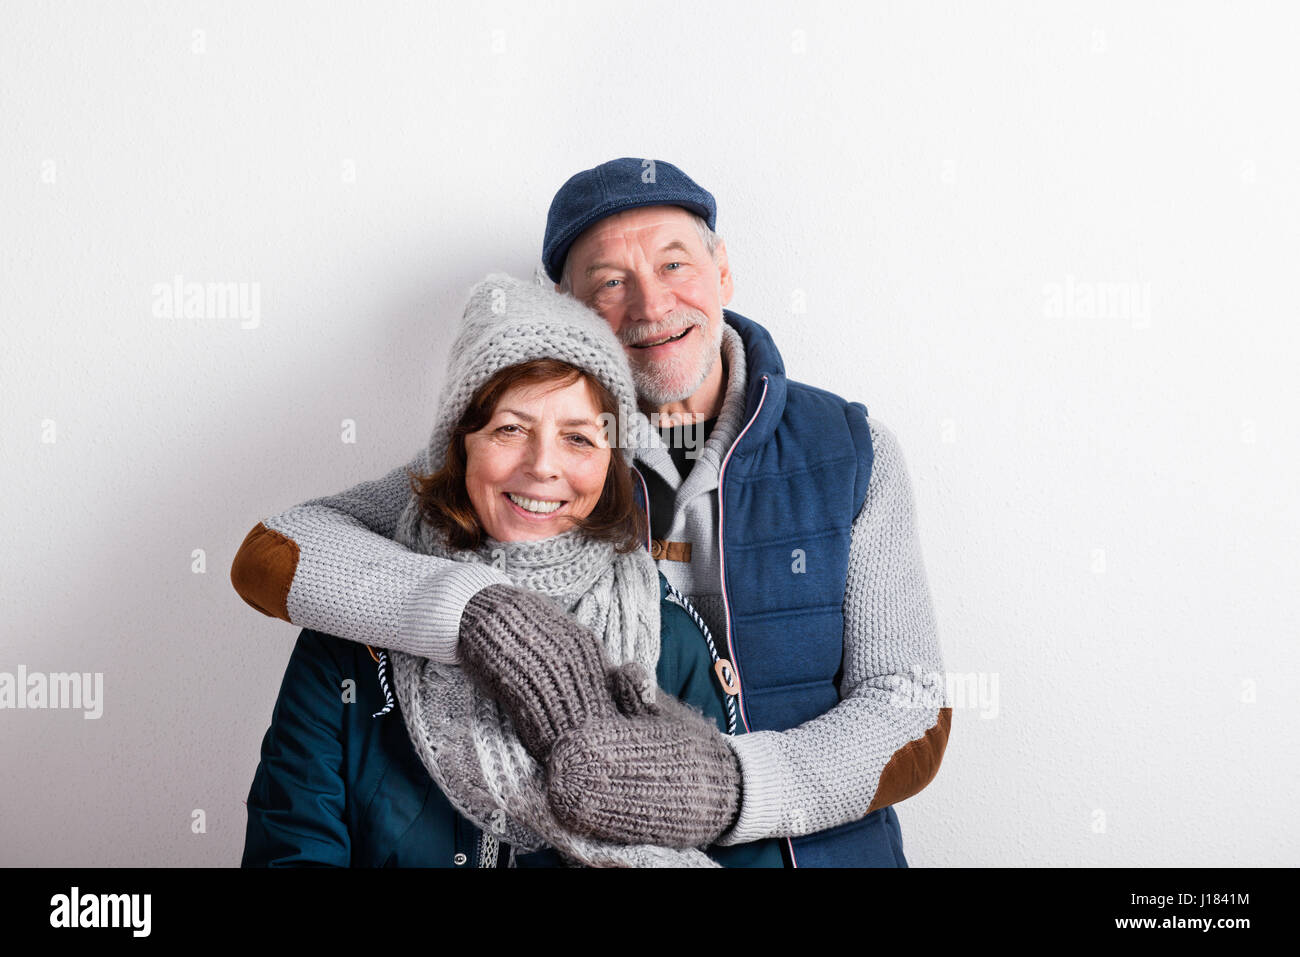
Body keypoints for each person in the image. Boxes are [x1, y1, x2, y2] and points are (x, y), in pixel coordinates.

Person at [232, 157, 951, 867]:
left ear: (722, 269)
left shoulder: (851, 451)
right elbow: (281, 549)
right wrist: (478, 610)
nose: (651, 306)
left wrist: (732, 791)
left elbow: (913, 709)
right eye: (611, 281)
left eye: (675, 265)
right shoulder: (549, 449)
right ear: (566, 306)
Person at [241, 274, 783, 867]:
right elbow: (292, 847)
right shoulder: (350, 628)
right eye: (510, 429)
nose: (542, 466)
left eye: (578, 438)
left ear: (611, 464)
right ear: (461, 443)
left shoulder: (670, 636)